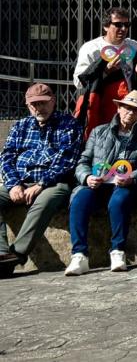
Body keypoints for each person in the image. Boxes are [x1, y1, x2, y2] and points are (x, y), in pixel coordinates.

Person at [65, 91, 137, 275]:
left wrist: (133, 177)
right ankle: (79, 256)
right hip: (97, 184)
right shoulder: (98, 131)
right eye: (127, 108)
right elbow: (83, 161)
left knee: (119, 202)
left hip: (124, 186)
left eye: (136, 111)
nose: (130, 113)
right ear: (119, 108)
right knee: (79, 199)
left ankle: (118, 251)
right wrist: (86, 177)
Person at [0, 84, 84, 277]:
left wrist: (41, 184)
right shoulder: (20, 125)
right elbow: (6, 157)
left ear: (53, 101)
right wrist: (13, 185)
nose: (39, 108)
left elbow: (67, 160)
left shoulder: (68, 124)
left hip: (53, 183)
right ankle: (2, 253)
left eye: (43, 103)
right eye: (34, 104)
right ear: (28, 105)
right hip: (20, 182)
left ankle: (16, 254)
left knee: (46, 200)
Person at [72, 6, 137, 137]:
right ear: (105, 26)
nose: (123, 29)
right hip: (99, 105)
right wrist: (105, 71)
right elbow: (78, 81)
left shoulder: (133, 46)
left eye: (127, 25)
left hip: (126, 108)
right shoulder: (91, 48)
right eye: (118, 25)